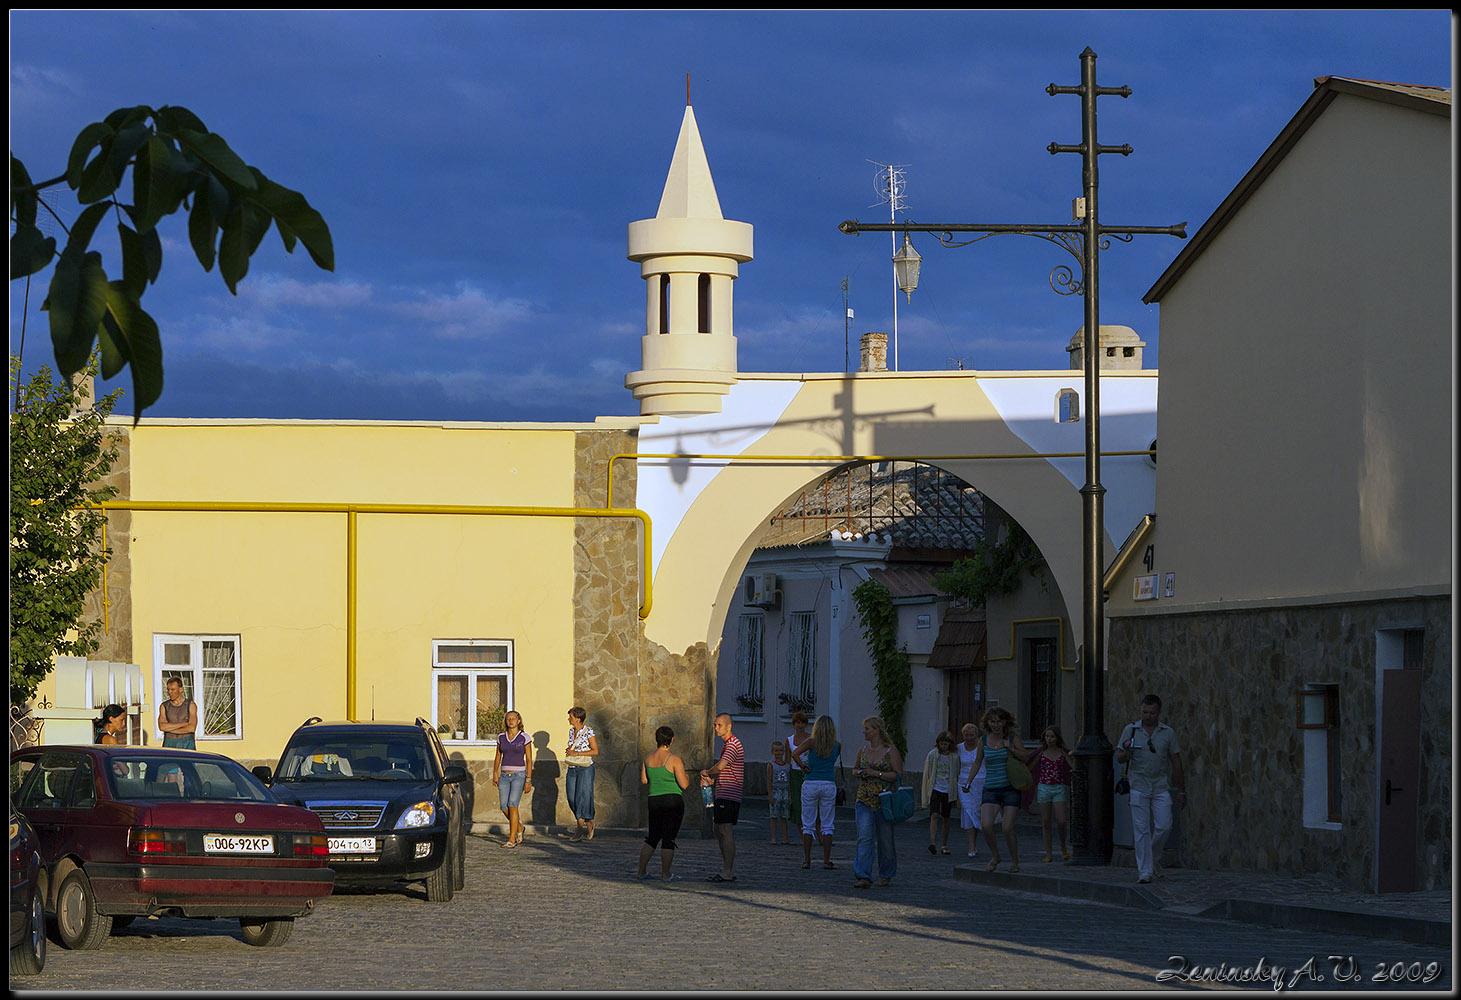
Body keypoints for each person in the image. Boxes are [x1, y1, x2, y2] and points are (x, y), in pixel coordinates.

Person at [1115, 693, 1186, 884]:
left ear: (1158, 712)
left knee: (1164, 826)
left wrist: (1181, 790)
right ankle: (1144, 871)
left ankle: (1153, 859)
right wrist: (1127, 750)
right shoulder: (1130, 730)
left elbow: (1176, 762)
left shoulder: (1167, 733)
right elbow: (1119, 757)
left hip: (1161, 786)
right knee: (1141, 830)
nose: (1148, 716)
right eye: (1145, 712)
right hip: (1138, 786)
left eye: (1152, 713)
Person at [969, 706, 1030, 873]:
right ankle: (996, 856)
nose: (996, 725)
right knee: (986, 825)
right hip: (991, 788)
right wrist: (968, 782)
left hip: (1010, 787)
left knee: (1007, 827)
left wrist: (1009, 746)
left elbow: (1025, 757)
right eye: (993, 721)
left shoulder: (1012, 737)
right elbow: (977, 762)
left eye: (999, 721)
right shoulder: (983, 740)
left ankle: (1015, 861)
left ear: (1005, 722)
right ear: (988, 723)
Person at [851, 716, 902, 888]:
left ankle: (886, 874)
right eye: (864, 728)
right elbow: (855, 769)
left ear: (877, 730)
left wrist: (876, 774)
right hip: (864, 799)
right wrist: (859, 773)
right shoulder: (862, 750)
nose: (864, 732)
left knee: (885, 840)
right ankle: (863, 876)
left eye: (867, 729)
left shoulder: (890, 751)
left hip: (884, 801)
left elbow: (898, 775)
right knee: (864, 837)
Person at [637, 725, 690, 882]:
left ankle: (641, 871)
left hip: (654, 800)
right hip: (672, 800)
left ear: (656, 739)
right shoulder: (674, 760)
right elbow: (684, 784)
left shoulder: (648, 759)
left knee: (652, 837)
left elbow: (644, 780)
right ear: (672, 740)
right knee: (668, 838)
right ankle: (666, 874)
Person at [790, 714, 839, 870]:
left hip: (811, 782)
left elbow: (794, 753)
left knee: (808, 823)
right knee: (827, 824)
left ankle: (807, 860)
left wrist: (804, 767)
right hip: (828, 783)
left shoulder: (811, 742)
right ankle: (826, 860)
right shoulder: (837, 745)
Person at [701, 713, 743, 882]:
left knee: (724, 830)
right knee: (718, 829)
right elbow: (726, 770)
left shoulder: (732, 744)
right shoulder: (727, 745)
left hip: (729, 794)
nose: (716, 728)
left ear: (728, 726)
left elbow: (721, 766)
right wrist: (713, 779)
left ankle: (727, 871)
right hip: (723, 792)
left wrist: (708, 772)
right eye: (715, 725)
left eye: (719, 725)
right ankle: (726, 868)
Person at [1032, 726, 1073, 863]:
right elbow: (1029, 767)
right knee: (1046, 822)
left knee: (1061, 821)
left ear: (1057, 738)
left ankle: (1063, 847)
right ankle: (1048, 853)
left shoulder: (1062, 752)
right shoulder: (1041, 753)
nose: (1049, 739)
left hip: (1058, 787)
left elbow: (1073, 766)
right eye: (1047, 736)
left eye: (1052, 736)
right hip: (1044, 788)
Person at [493, 711, 533, 848]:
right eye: (508, 719)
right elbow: (498, 756)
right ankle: (519, 827)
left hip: (519, 775)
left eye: (513, 718)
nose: (510, 721)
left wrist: (528, 779)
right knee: (504, 807)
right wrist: (495, 773)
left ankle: (512, 839)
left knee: (512, 804)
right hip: (504, 776)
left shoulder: (524, 738)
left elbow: (528, 759)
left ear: (519, 721)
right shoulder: (501, 738)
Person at [564, 706, 599, 842]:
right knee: (572, 798)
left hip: (585, 768)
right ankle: (588, 820)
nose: (569, 719)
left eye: (571, 717)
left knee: (582, 797)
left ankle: (579, 829)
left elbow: (595, 751)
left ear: (578, 718)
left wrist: (577, 753)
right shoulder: (571, 731)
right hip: (572, 767)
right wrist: (570, 750)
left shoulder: (588, 731)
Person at [921, 731, 957, 855]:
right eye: (941, 744)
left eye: (946, 744)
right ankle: (933, 842)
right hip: (936, 788)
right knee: (934, 815)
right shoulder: (932, 755)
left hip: (948, 790)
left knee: (946, 817)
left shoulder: (954, 757)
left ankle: (944, 844)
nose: (943, 746)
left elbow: (956, 773)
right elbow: (928, 773)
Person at [955, 722, 985, 858]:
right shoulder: (959, 748)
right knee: (967, 812)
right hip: (963, 784)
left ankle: (975, 842)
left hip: (980, 782)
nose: (969, 738)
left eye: (972, 735)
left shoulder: (982, 746)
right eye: (966, 735)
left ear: (977, 735)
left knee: (976, 813)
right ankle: (971, 845)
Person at [786, 711, 812, 828]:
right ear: (794, 724)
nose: (800, 725)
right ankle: (803, 834)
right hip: (796, 774)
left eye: (802, 723)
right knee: (797, 805)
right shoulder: (789, 740)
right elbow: (787, 761)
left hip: (810, 773)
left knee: (812, 804)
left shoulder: (811, 738)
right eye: (797, 723)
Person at [157, 677, 198, 748]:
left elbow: (191, 728)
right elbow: (162, 726)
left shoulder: (190, 705)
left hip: (187, 743)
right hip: (169, 743)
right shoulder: (164, 706)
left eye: (172, 689)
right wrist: (183, 724)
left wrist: (169, 729)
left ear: (180, 689)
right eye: (168, 690)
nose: (170, 692)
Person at [766, 740, 792, 844]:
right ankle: (773, 837)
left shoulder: (787, 766)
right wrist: (770, 795)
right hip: (775, 791)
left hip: (785, 791)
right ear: (772, 752)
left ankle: (785, 838)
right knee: (774, 816)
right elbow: (769, 780)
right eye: (776, 751)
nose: (779, 753)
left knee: (784, 816)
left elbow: (789, 781)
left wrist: (790, 795)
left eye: (781, 750)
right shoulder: (771, 765)